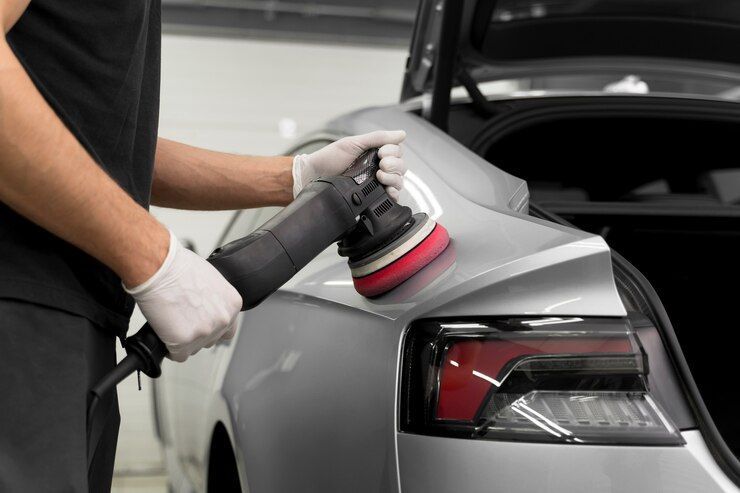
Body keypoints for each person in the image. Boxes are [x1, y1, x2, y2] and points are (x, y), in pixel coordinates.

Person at [0, 1, 407, 491]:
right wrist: (153, 257)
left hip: (62, 317)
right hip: (22, 313)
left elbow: (109, 148)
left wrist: (297, 175)